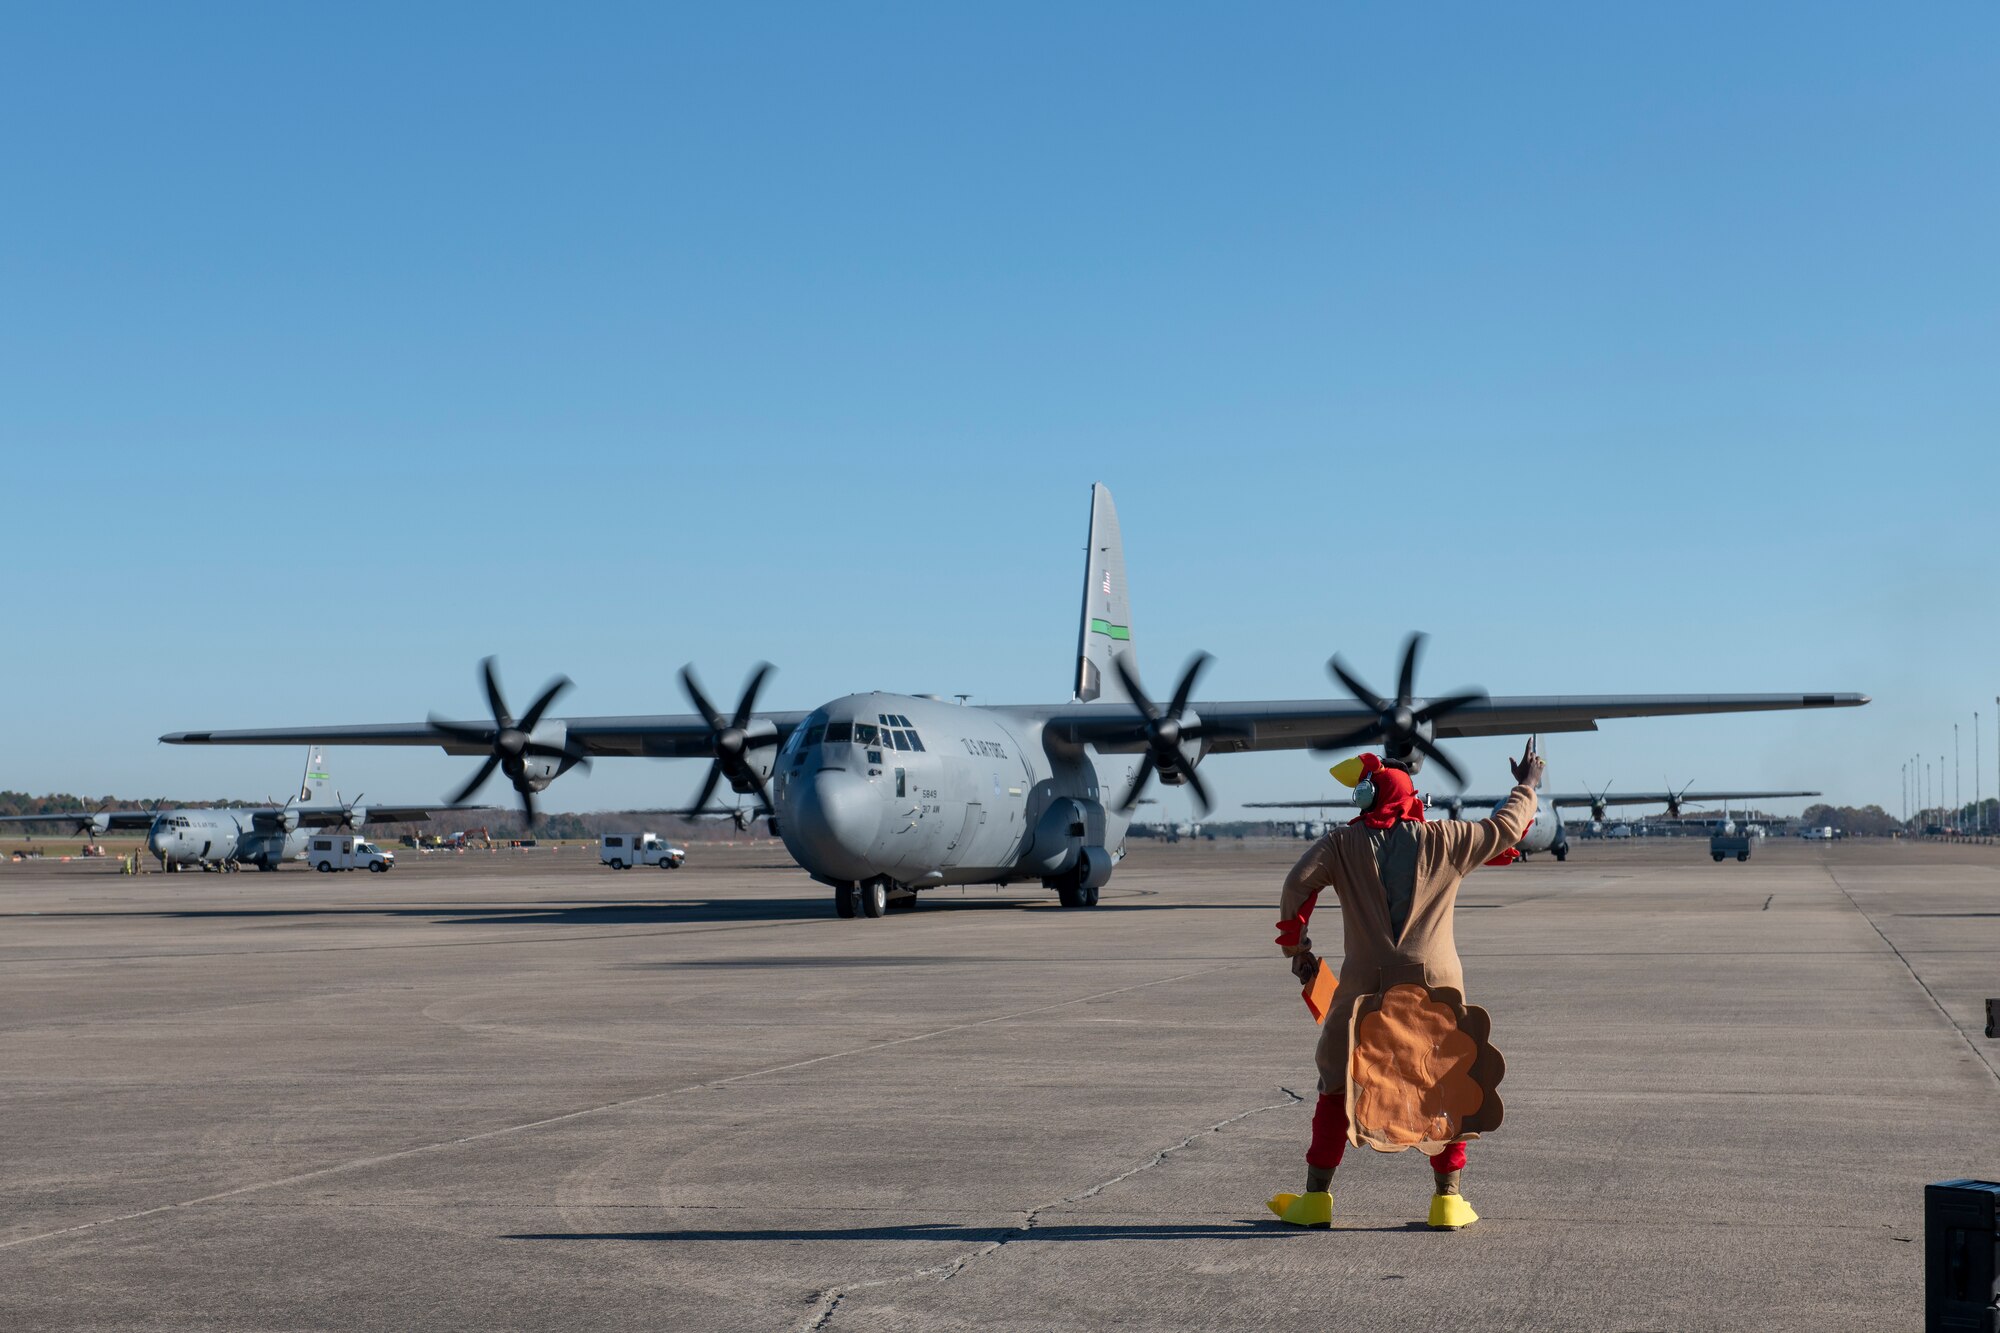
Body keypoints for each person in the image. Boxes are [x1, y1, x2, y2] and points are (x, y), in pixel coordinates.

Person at [1267, 738, 1544, 1230]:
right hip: (1437, 985)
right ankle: (1447, 1201)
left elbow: (1296, 884)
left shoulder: (1341, 843)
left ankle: (1316, 1200)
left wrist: (1299, 951)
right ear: (1413, 796)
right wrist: (1526, 784)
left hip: (1361, 988)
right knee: (1450, 1082)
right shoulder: (1446, 838)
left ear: (1368, 795)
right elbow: (1507, 827)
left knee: (1336, 1082)